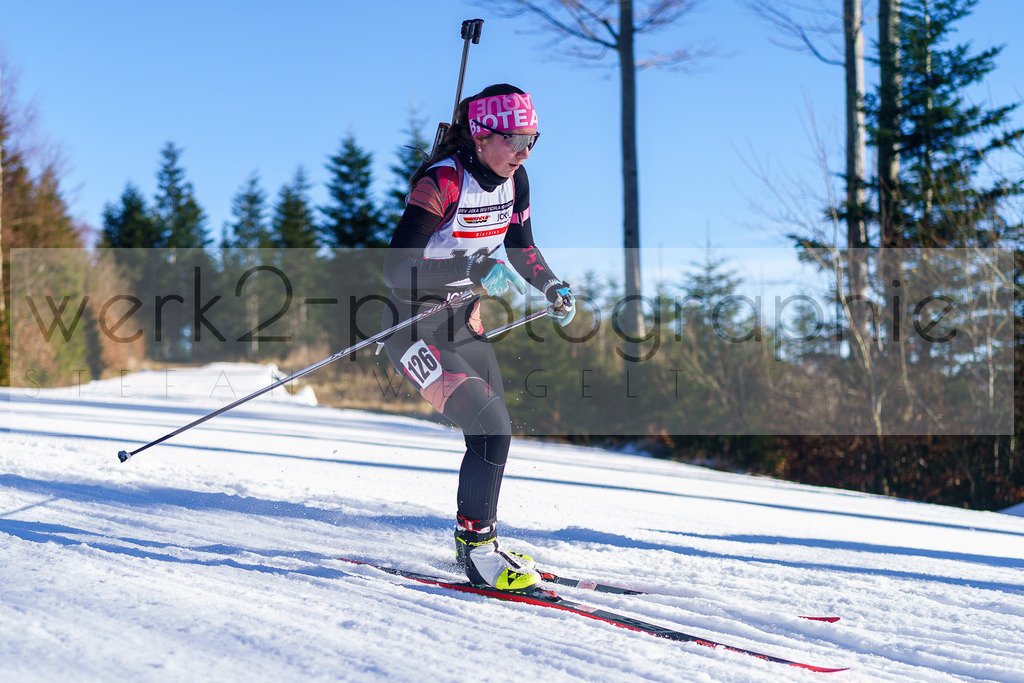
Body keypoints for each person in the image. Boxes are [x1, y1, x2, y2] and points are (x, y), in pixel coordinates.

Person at [381, 84, 574, 592]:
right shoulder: (441, 182)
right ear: (482, 133)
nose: (524, 152)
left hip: (462, 325)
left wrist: (550, 283)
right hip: (409, 328)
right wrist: (469, 268)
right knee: (491, 427)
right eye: (514, 139)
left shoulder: (518, 181)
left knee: (493, 429)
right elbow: (397, 269)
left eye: (533, 139)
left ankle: (477, 540)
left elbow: (522, 248)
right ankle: (478, 553)